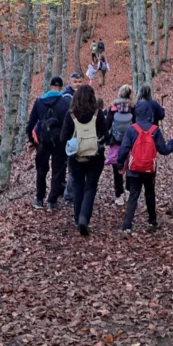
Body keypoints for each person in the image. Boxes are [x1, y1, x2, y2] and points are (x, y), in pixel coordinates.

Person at [116, 84, 173, 234]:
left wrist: (119, 163)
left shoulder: (132, 129)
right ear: (149, 113)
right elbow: (164, 150)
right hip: (149, 168)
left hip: (133, 168)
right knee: (150, 193)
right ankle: (152, 221)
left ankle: (127, 225)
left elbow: (123, 150)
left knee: (133, 195)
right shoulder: (155, 130)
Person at [61, 85, 110, 235]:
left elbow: (63, 137)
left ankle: (77, 219)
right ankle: (84, 218)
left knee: (78, 185)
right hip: (95, 156)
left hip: (76, 157)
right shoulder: (98, 113)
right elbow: (106, 136)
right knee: (91, 186)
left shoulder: (71, 114)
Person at [25, 76, 71, 210]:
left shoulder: (39, 102)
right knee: (57, 170)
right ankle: (52, 201)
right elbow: (69, 124)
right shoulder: (65, 103)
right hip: (59, 142)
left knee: (41, 169)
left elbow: (31, 124)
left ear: (50, 86)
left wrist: (32, 140)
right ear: (61, 87)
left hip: (42, 142)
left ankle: (39, 199)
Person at [107, 85, 135, 206]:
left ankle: (119, 195)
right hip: (130, 143)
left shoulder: (113, 108)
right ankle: (128, 190)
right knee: (129, 167)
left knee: (116, 169)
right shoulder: (133, 108)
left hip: (115, 142)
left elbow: (107, 124)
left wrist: (107, 139)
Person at [61, 73, 84, 203]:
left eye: (80, 81)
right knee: (72, 167)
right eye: (75, 82)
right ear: (70, 83)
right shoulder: (66, 97)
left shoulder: (83, 96)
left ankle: (75, 191)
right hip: (71, 137)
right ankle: (69, 193)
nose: (78, 84)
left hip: (81, 136)